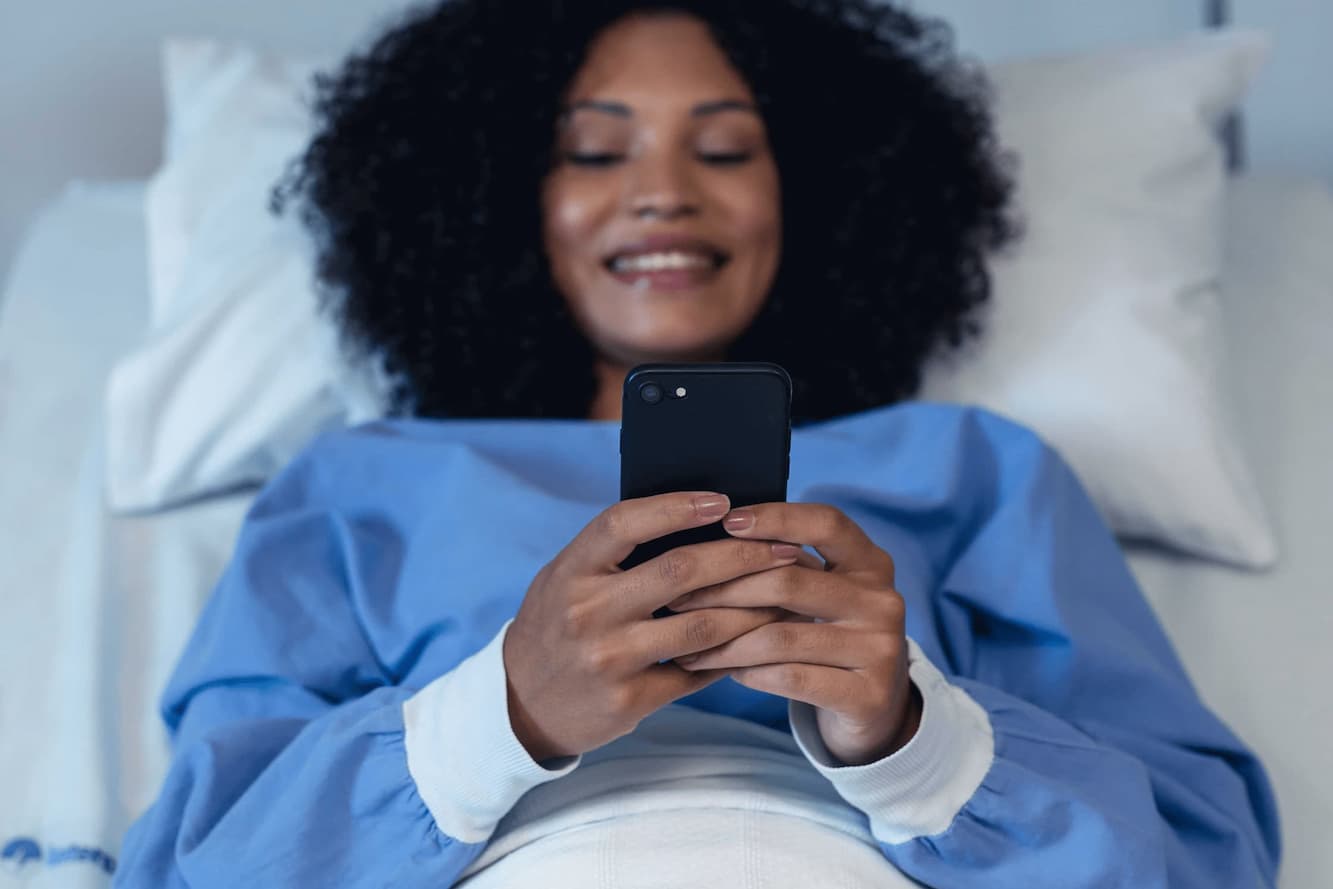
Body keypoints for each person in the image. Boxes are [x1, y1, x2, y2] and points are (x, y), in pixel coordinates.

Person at [112, 1, 1281, 886]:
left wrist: (907, 734)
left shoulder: (970, 468)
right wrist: (506, 713)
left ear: (810, 196)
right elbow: (203, 860)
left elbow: (1198, 853)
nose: (664, 192)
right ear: (498, 197)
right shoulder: (359, 483)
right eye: (593, 150)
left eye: (722, 151)